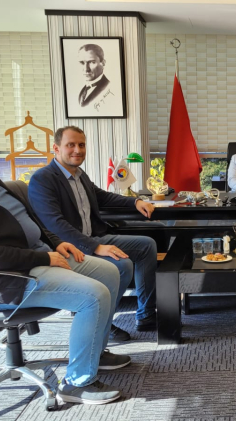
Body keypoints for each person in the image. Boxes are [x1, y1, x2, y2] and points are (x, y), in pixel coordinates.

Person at [0, 116, 130, 405]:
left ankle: (95, 352)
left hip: (35, 260)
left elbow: (33, 222)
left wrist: (57, 243)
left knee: (110, 272)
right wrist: (44, 256)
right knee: (93, 296)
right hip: (3, 280)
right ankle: (76, 383)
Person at [29, 126, 158, 337]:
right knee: (122, 265)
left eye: (81, 145)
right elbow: (54, 224)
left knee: (146, 245)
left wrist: (135, 201)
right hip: (69, 247)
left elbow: (103, 197)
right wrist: (96, 247)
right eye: (70, 145)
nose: (77, 150)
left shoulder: (79, 175)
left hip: (94, 237)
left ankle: (146, 315)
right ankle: (101, 321)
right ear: (56, 148)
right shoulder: (43, 179)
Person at [77, 44, 111, 108]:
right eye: (82, 63)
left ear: (103, 63)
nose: (86, 69)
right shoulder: (83, 90)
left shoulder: (110, 89)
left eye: (92, 62)